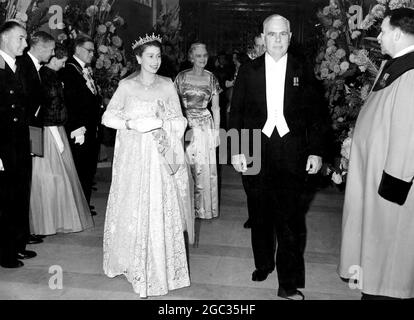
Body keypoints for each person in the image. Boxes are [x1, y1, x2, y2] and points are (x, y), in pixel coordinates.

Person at [229, 14, 327, 300]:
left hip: (292, 152)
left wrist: (317, 151)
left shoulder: (302, 68)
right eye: (272, 34)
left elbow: (318, 116)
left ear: (290, 36)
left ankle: (288, 282)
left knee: (290, 220)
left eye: (283, 34)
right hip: (254, 151)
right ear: (263, 36)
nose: (278, 40)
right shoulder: (248, 70)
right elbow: (236, 112)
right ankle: (263, 263)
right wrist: (235, 149)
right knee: (259, 215)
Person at [102, 34, 194, 298]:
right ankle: (133, 263)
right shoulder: (126, 86)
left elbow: (180, 121)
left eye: (158, 56)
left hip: (159, 157)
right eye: (150, 56)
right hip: (134, 158)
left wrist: (163, 123)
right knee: (134, 205)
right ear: (139, 58)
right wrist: (131, 124)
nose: (156, 61)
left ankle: (159, 265)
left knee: (158, 206)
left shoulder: (167, 85)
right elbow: (108, 116)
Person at [339, 8, 414, 300]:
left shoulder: (410, 73)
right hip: (373, 174)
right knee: (374, 250)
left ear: (397, 33)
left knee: (389, 253)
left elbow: (408, 135)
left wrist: (394, 186)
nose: (379, 36)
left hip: (390, 185)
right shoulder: (395, 64)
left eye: (383, 31)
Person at [29, 43, 94, 236]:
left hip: (57, 127)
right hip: (48, 129)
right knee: (49, 177)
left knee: (60, 176)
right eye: (62, 61)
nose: (64, 65)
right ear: (53, 58)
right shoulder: (44, 76)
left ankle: (56, 218)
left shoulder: (52, 75)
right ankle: (45, 221)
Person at [0, 21, 35, 268]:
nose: (25, 43)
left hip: (20, 141)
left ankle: (17, 244)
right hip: (3, 145)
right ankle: (4, 253)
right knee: (5, 200)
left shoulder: (18, 65)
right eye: (20, 38)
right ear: (4, 39)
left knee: (20, 194)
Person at [16, 30, 55, 245]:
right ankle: (21, 236)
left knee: (27, 181)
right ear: (39, 47)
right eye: (50, 49)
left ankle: (25, 233)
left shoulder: (35, 67)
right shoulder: (24, 66)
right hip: (26, 130)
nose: (52, 53)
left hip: (34, 130)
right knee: (22, 183)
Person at [175, 43, 221, 220]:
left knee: (203, 169)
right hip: (185, 125)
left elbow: (216, 108)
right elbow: (173, 104)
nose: (202, 59)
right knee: (183, 166)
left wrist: (217, 132)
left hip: (204, 126)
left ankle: (202, 209)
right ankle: (183, 208)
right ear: (191, 57)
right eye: (199, 56)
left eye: (205, 55)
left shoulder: (211, 78)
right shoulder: (181, 77)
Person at [60, 36, 102, 215]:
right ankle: (77, 206)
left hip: (91, 127)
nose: (92, 54)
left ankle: (83, 203)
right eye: (89, 50)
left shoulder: (85, 69)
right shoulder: (69, 70)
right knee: (79, 167)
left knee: (88, 168)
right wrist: (77, 127)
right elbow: (70, 101)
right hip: (79, 129)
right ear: (77, 49)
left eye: (93, 51)